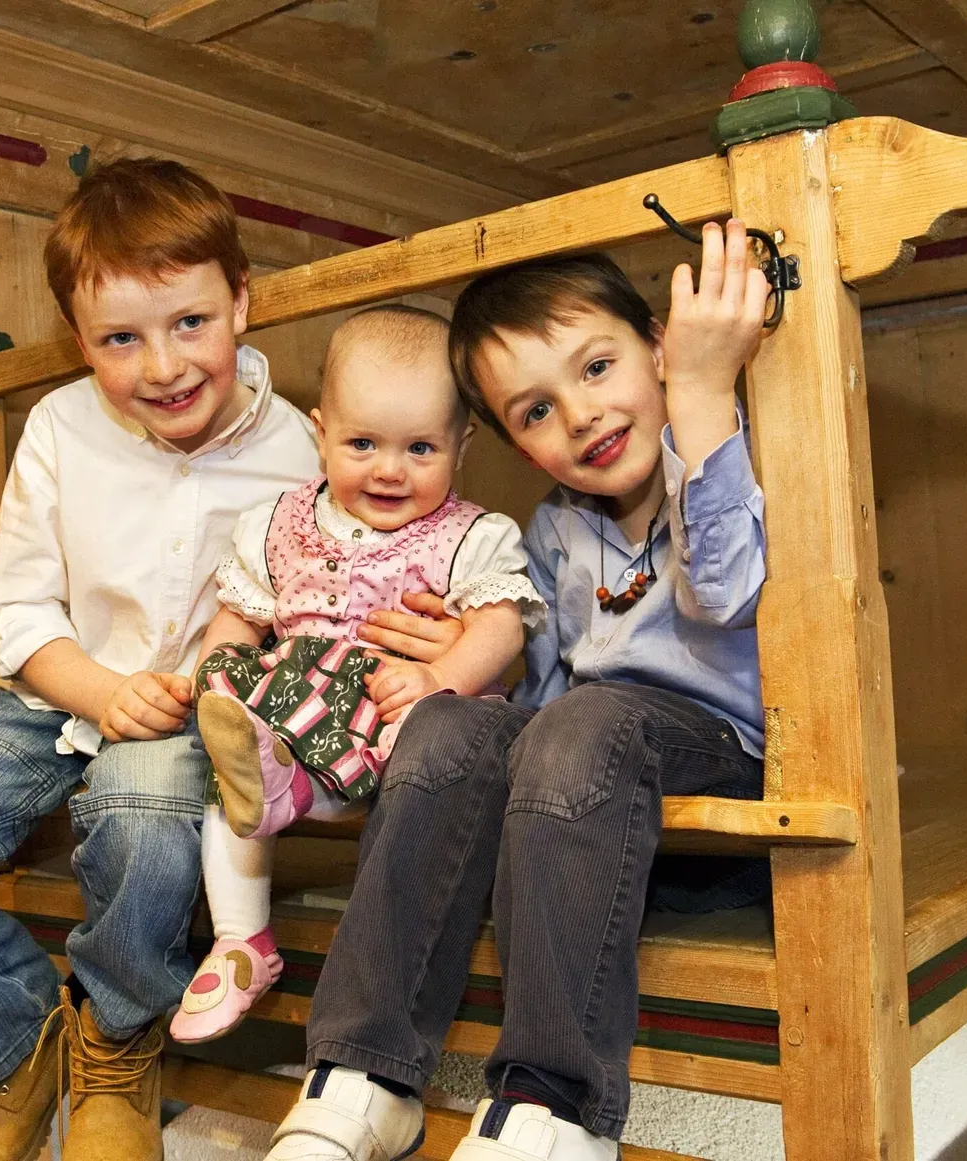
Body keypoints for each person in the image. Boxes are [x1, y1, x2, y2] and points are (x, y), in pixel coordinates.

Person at [0, 157, 459, 1161]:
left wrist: (427, 639)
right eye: (121, 339)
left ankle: (116, 1040)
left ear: (239, 305)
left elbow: (349, 591)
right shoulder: (63, 429)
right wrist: (101, 690)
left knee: (148, 807)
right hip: (55, 693)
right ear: (82, 341)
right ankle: (20, 1050)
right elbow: (17, 607)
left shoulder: (307, 451)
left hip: (205, 710)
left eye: (188, 323)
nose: (161, 366)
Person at [262, 223, 773, 1161]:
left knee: (588, 722)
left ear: (658, 343)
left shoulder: (725, 457)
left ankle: (554, 1104)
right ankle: (364, 1073)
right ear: (511, 443)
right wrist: (460, 665)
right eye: (534, 411)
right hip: (589, 809)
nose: (579, 415)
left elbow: (730, 590)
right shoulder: (553, 530)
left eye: (597, 366)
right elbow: (534, 708)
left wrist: (704, 389)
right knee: (456, 722)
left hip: (718, 776)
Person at [171, 306, 543, 1045]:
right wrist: (214, 666)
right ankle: (241, 939)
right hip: (293, 702)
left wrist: (440, 671)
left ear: (462, 446)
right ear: (320, 433)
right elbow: (242, 615)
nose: (388, 469)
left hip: (395, 705)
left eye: (420, 448)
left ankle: (289, 783)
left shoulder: (469, 535)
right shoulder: (277, 522)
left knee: (417, 737)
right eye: (362, 442)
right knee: (233, 755)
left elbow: (500, 626)